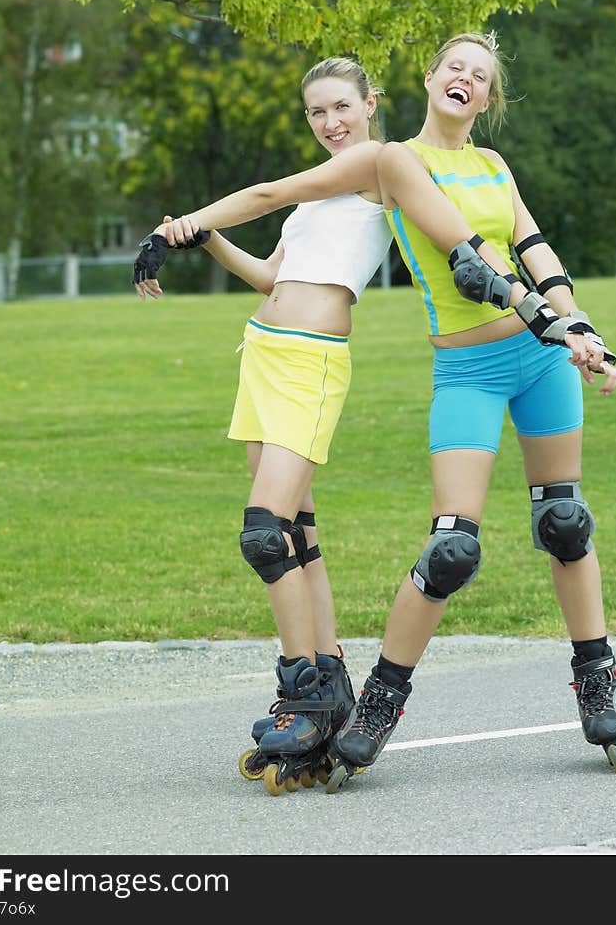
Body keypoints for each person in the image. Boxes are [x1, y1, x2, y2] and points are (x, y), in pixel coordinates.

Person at [325, 31, 616, 793]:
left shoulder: (494, 166)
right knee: (451, 550)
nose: (465, 78)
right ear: (429, 79)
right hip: (468, 367)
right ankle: (380, 701)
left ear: (487, 99)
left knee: (566, 522)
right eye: (454, 67)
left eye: (480, 75)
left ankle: (597, 679)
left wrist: (583, 328)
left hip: (542, 363)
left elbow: (534, 249)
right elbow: (475, 271)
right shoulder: (403, 160)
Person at [132, 57, 393, 797]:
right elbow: (275, 277)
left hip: (311, 363)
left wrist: (193, 217)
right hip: (264, 355)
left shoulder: (376, 165)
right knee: (297, 534)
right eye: (317, 113)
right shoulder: (320, 196)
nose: (331, 123)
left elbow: (268, 191)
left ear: (371, 105)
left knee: (263, 532)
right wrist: (204, 243)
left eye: (342, 107)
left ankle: (302, 688)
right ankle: (329, 675)